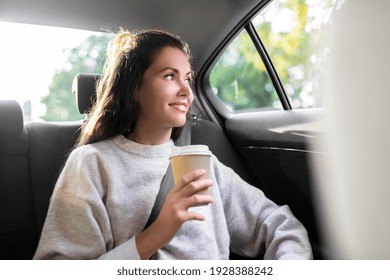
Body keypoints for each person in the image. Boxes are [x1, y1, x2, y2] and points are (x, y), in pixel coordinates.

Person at [33, 29, 313, 260]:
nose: (185, 90)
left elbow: (280, 225)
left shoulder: (205, 165)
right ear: (134, 89)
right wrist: (156, 235)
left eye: (188, 78)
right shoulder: (92, 164)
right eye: (169, 76)